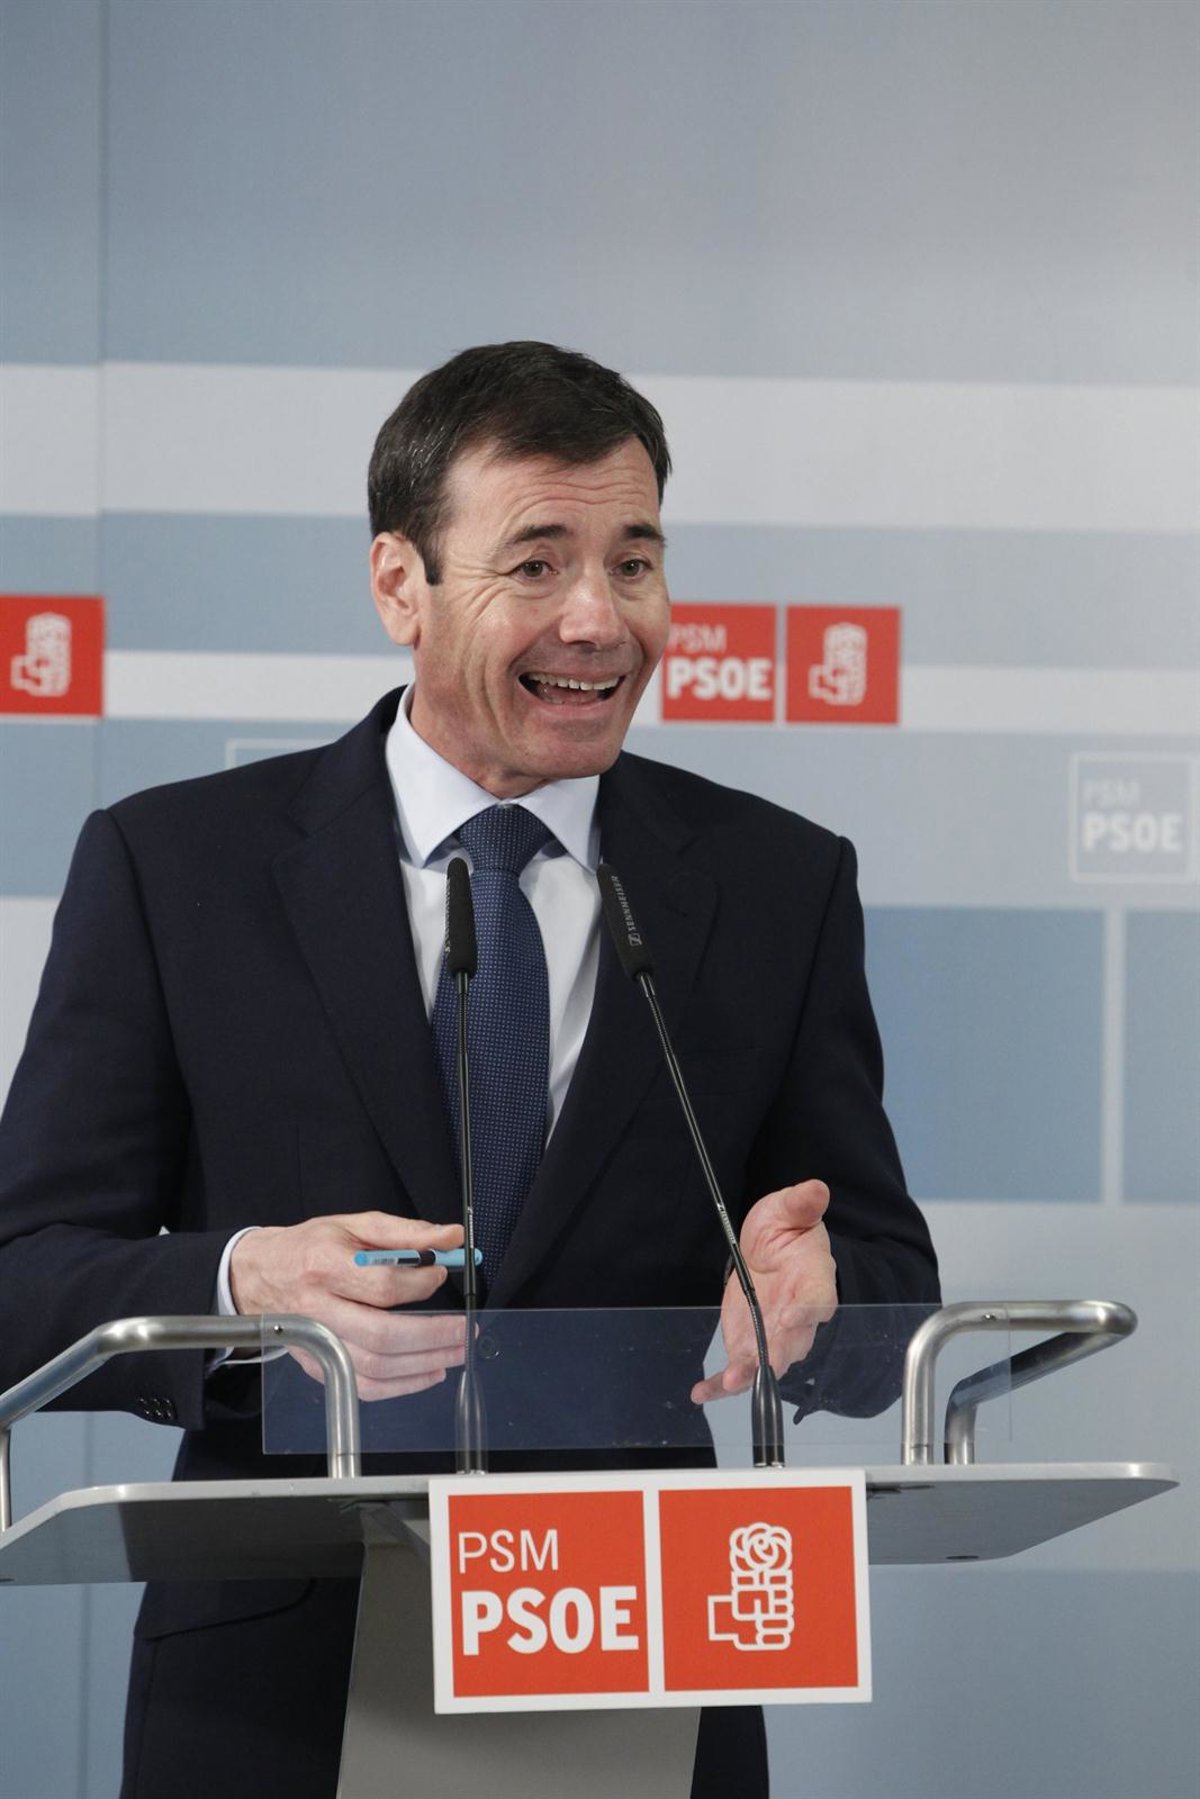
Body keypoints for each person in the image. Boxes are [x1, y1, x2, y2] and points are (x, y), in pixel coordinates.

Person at [0, 342, 938, 1797]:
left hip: (640, 1668)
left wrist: (821, 1297)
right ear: (402, 585)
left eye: (635, 563)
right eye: (538, 563)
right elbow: (21, 1281)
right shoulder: (177, 868)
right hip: (277, 1696)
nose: (600, 618)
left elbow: (886, 1287)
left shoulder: (774, 884)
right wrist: (243, 1284)